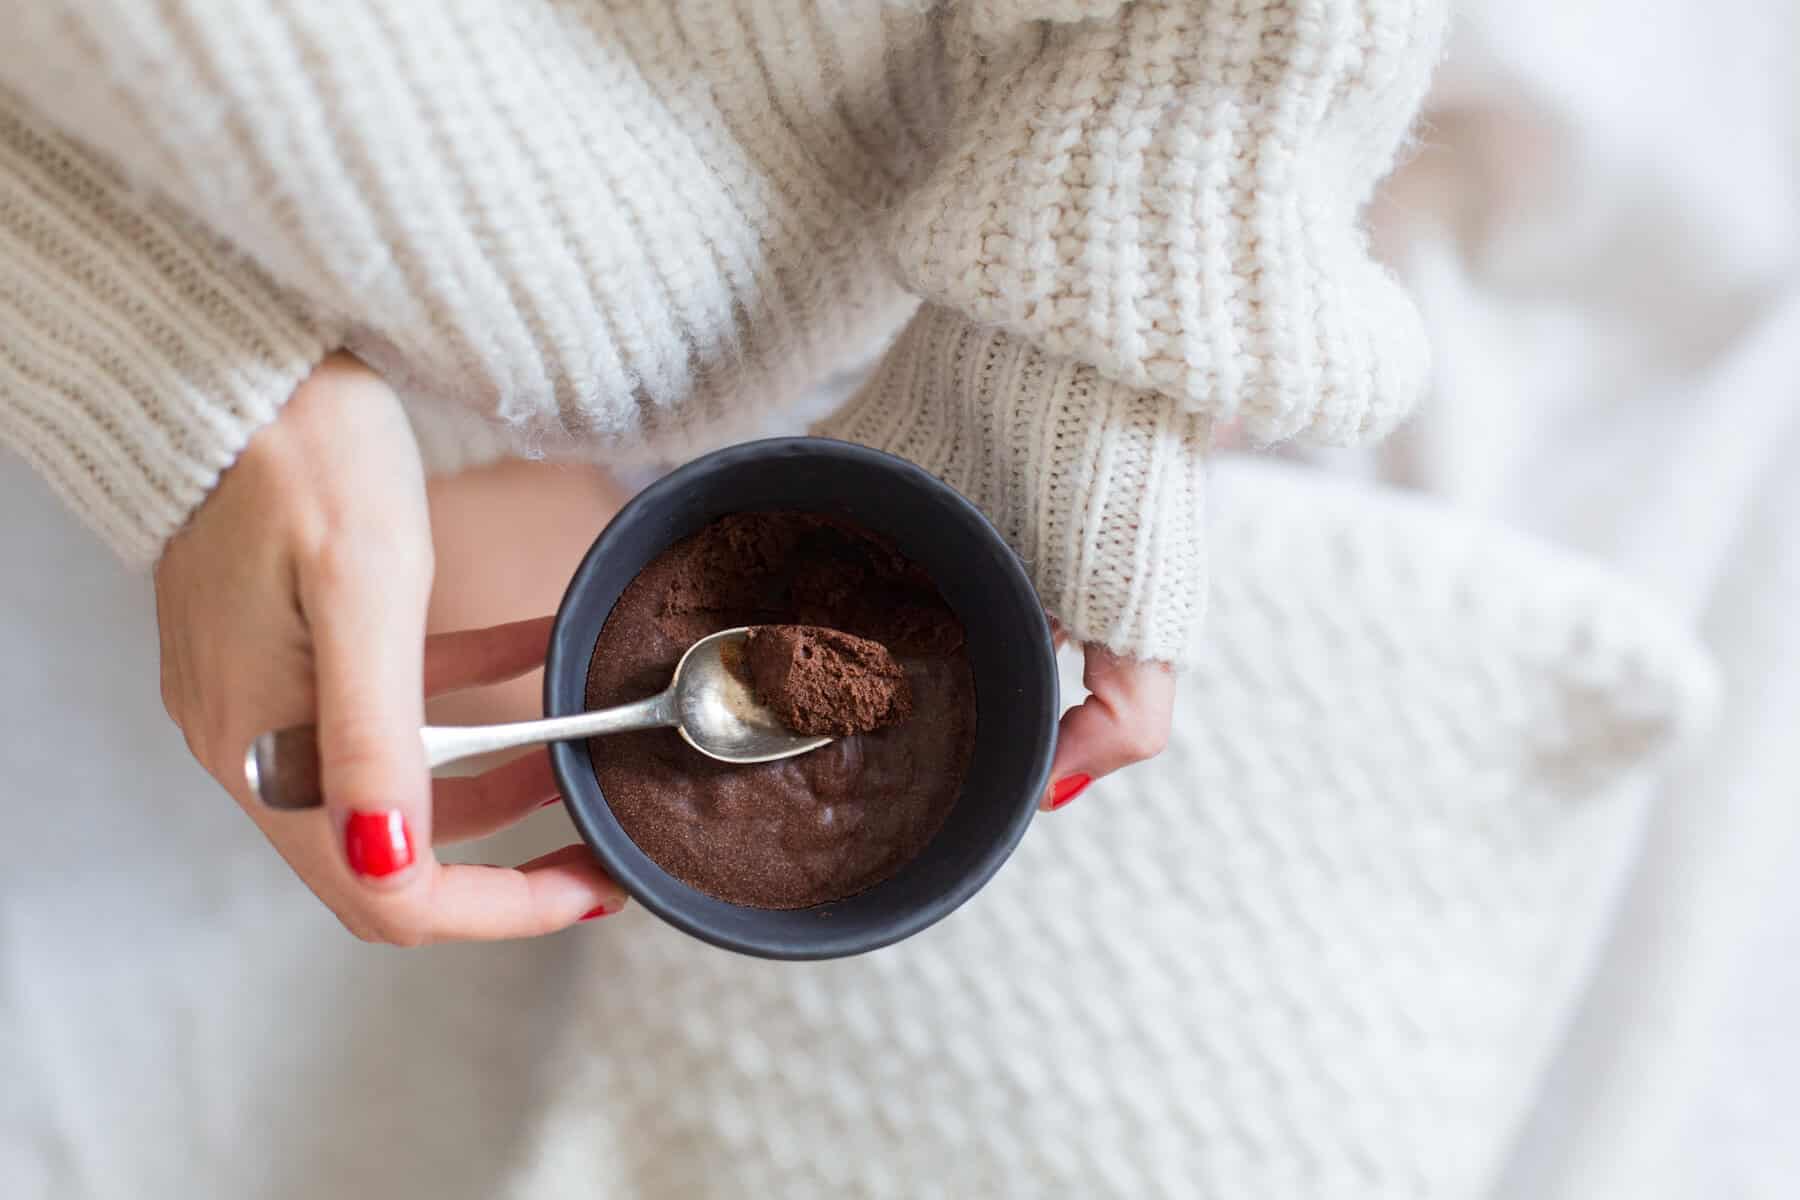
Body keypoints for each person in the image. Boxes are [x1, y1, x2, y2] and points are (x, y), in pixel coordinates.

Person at [0, 0, 1445, 946]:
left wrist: (1106, 294)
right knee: (485, 710)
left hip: (958, 179)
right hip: (351, 347)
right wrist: (195, 377)